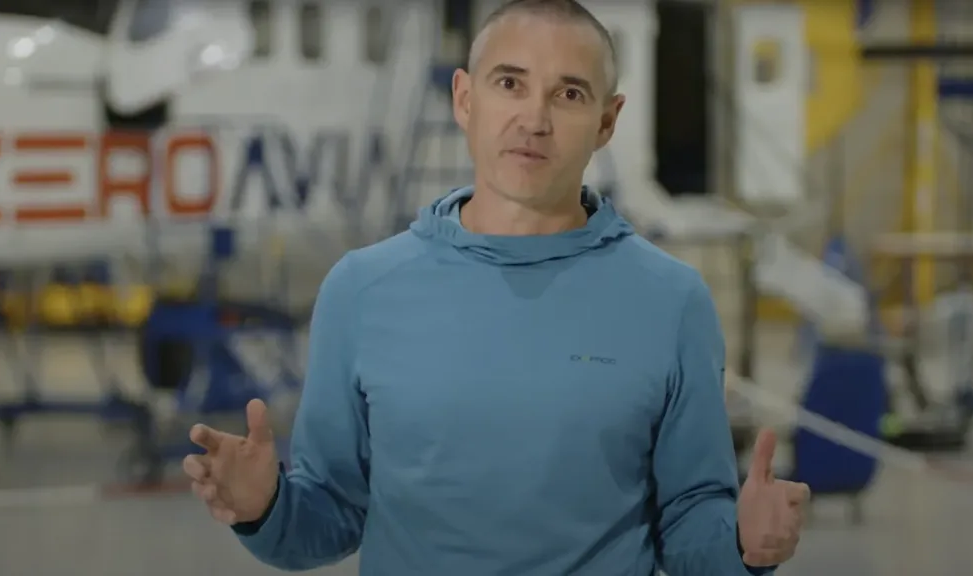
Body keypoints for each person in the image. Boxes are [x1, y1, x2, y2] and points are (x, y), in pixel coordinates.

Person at [182, 0, 810, 574]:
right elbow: (332, 512)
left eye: (568, 94)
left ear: (606, 121)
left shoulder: (672, 302)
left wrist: (740, 544)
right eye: (509, 84)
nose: (533, 120)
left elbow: (690, 520)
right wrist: (265, 508)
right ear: (464, 99)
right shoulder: (360, 292)